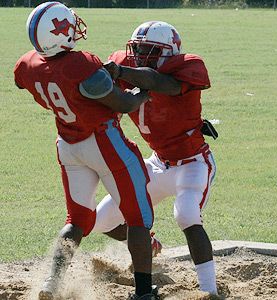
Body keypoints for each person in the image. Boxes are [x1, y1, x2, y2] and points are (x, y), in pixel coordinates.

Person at [14, 3, 159, 300]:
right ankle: (144, 293)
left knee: (77, 220)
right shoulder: (81, 64)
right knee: (138, 216)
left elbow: (29, 79)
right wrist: (146, 88)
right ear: (59, 34)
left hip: (68, 146)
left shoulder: (27, 64)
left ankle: (50, 285)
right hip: (103, 142)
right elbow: (124, 104)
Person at [93, 21, 219, 296]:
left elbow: (159, 82)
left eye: (149, 50)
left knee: (186, 214)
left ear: (169, 53)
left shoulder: (186, 68)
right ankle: (147, 244)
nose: (140, 54)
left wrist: (122, 72)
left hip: (193, 164)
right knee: (100, 220)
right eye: (137, 48)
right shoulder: (125, 61)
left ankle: (210, 290)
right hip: (157, 162)